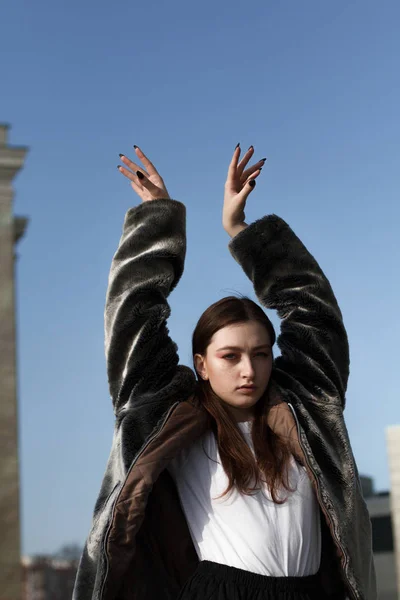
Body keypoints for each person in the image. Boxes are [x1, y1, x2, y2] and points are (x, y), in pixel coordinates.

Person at [72, 144, 376, 600]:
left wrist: (240, 230)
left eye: (260, 353)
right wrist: (157, 219)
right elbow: (133, 315)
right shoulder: (164, 415)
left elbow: (314, 311)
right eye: (230, 356)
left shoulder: (308, 408)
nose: (248, 370)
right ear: (202, 364)